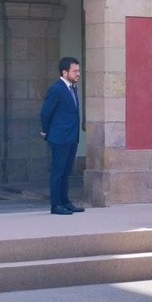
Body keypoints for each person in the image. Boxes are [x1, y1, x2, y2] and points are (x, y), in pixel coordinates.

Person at [40, 56, 85, 215]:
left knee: (66, 172)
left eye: (78, 70)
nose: (78, 73)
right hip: (59, 137)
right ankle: (56, 204)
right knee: (58, 171)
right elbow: (46, 112)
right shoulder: (56, 89)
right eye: (75, 71)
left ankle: (65, 201)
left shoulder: (72, 88)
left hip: (71, 137)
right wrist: (45, 130)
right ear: (65, 72)